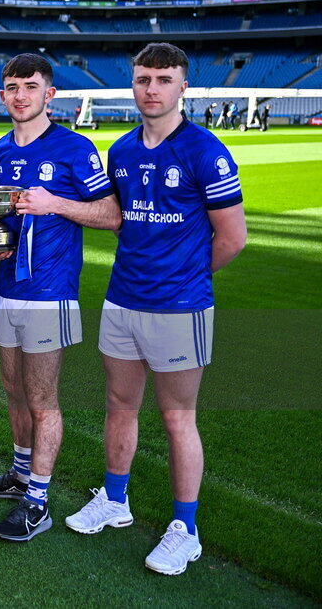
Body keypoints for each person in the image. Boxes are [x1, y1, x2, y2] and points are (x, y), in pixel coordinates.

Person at [64, 43, 246, 576]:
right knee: (119, 405)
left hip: (179, 306)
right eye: (143, 79)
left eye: (163, 79)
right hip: (123, 300)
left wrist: (184, 275)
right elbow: (118, 218)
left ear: (183, 86)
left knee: (177, 419)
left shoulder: (205, 151)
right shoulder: (120, 150)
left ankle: (184, 530)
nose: (151, 89)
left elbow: (232, 239)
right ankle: (115, 501)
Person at [0, 53, 121, 542]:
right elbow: (7, 222)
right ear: (2, 94)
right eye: (12, 86)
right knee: (13, 390)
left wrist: (54, 202)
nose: (20, 95)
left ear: (49, 94)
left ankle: (38, 502)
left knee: (42, 398)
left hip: (50, 293)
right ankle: (19, 474)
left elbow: (111, 214)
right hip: (7, 289)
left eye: (30, 87)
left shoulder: (75, 148)